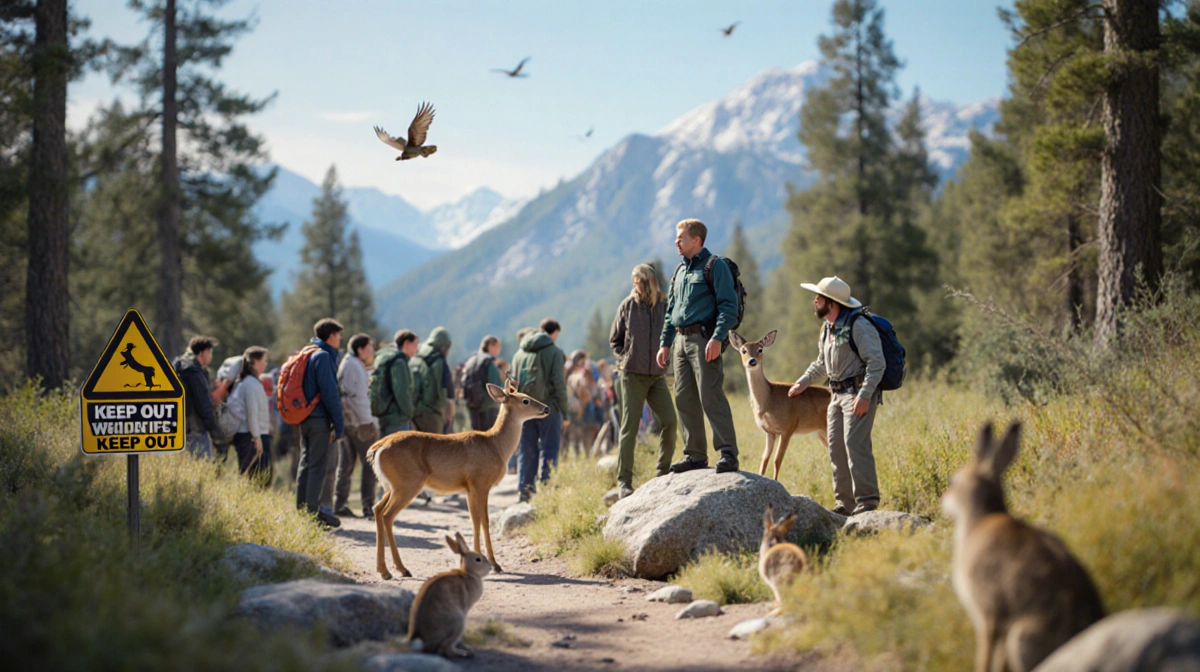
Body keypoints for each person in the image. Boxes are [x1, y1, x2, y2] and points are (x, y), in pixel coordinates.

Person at [788, 276, 885, 516]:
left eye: (819, 297)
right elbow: (821, 364)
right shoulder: (827, 328)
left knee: (855, 445)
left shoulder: (859, 325)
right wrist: (803, 381)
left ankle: (867, 503)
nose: (815, 301)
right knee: (835, 448)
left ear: (831, 302)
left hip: (857, 394)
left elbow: (877, 362)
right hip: (835, 396)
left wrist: (864, 395)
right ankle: (845, 504)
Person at [656, 218, 740, 474]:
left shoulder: (715, 266)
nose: (676, 242)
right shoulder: (679, 271)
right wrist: (665, 343)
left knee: (710, 395)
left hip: (704, 339)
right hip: (680, 341)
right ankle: (694, 455)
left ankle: (727, 453)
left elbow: (729, 306)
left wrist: (717, 337)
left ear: (697, 240)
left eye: (680, 238)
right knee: (683, 397)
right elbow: (671, 311)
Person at [611, 263, 679, 498]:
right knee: (629, 428)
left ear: (647, 281)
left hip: (657, 376)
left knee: (670, 421)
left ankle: (663, 470)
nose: (635, 286)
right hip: (632, 375)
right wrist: (626, 356)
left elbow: (671, 332)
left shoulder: (663, 305)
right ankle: (624, 483)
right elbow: (615, 340)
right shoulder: (627, 306)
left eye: (637, 282)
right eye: (633, 283)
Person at [512, 318, 569, 502]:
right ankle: (546, 491)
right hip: (548, 408)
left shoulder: (519, 353)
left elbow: (512, 383)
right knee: (549, 449)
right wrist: (565, 411)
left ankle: (524, 491)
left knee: (527, 449)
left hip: (524, 410)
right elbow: (559, 383)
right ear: (553, 334)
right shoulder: (554, 351)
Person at [296, 318, 346, 528]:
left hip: (304, 418)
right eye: (339, 335)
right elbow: (330, 393)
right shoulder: (324, 357)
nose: (340, 339)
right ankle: (311, 516)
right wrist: (339, 422)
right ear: (331, 336)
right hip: (319, 420)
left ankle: (302, 511)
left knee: (306, 464)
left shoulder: (307, 352)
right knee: (318, 467)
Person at [334, 333, 380, 520]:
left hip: (347, 421)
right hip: (359, 422)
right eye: (368, 347)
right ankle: (368, 505)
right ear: (360, 349)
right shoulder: (354, 365)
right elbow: (359, 398)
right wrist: (367, 422)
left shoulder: (348, 363)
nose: (371, 351)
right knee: (370, 463)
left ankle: (340, 503)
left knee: (346, 464)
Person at [227, 346, 272, 482]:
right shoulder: (251, 384)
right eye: (263, 360)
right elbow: (252, 412)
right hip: (251, 437)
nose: (265, 364)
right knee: (256, 478)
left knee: (251, 475)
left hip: (249, 435)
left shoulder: (245, 382)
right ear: (254, 362)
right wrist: (257, 438)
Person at [174, 336, 219, 459]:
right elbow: (203, 404)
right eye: (209, 352)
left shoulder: (180, 368)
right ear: (201, 352)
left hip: (181, 429)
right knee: (202, 469)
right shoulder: (195, 373)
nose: (210, 356)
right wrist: (214, 430)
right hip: (197, 430)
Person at [373, 329, 419, 436]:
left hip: (385, 416)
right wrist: (410, 413)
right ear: (406, 343)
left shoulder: (388, 358)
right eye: (415, 344)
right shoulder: (399, 363)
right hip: (397, 419)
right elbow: (401, 392)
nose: (417, 348)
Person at [410, 327, 454, 434]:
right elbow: (449, 396)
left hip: (413, 413)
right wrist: (449, 417)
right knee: (436, 449)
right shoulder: (440, 362)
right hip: (432, 416)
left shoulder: (416, 357)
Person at [462, 335, 504, 431]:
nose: (499, 350)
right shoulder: (489, 363)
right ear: (490, 346)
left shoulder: (470, 361)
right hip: (489, 407)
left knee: (476, 437)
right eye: (497, 347)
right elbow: (495, 386)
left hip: (472, 405)